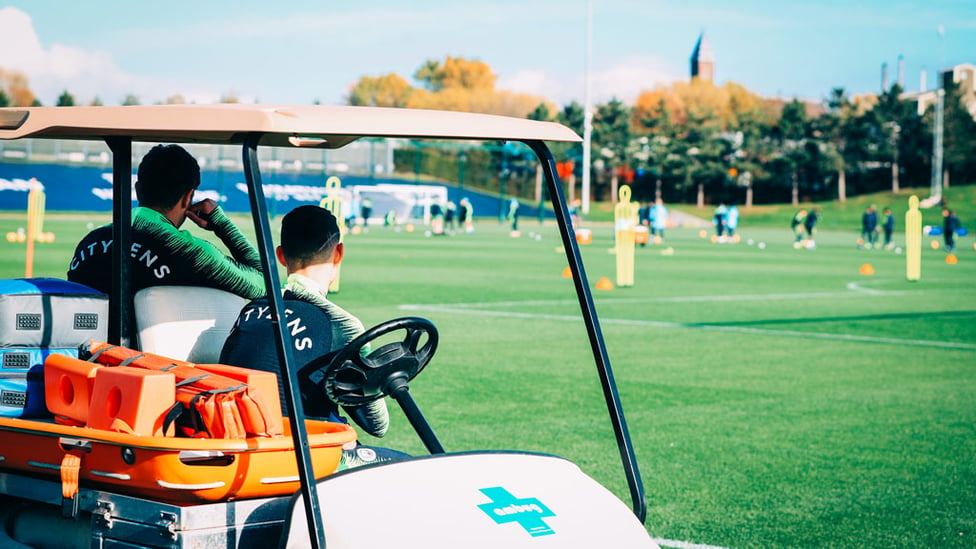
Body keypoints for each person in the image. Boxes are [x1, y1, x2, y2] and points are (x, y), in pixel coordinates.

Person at [219, 205, 389, 438]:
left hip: (242, 444)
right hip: (303, 454)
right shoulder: (342, 324)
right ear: (338, 253)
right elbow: (377, 425)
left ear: (281, 256)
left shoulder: (249, 310)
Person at [67, 144, 265, 299]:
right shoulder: (191, 253)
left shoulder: (90, 242)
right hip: (152, 353)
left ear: (137, 189)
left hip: (92, 350)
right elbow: (265, 285)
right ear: (188, 197)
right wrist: (222, 224)